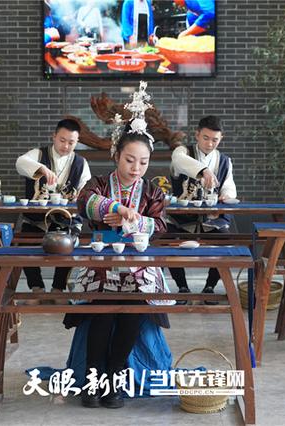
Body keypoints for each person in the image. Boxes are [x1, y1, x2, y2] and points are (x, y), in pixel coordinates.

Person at [65, 81, 173, 409]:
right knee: (101, 312)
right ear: (115, 155)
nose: (136, 168)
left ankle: (114, 379)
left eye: (143, 162)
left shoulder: (152, 191)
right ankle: (93, 381)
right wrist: (115, 208)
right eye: (129, 160)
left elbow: (160, 226)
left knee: (132, 312)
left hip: (138, 265)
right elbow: (85, 202)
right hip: (101, 262)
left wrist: (136, 221)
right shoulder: (99, 183)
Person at [15, 118, 91, 299]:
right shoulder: (38, 154)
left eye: (71, 142)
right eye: (62, 140)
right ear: (54, 137)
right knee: (24, 245)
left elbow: (85, 191)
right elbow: (20, 163)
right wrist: (41, 168)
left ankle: (58, 288)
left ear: (77, 142)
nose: (66, 146)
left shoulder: (81, 163)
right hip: (36, 219)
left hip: (66, 219)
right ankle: (37, 288)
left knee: (69, 243)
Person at [167, 115, 236, 304]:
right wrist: (204, 170)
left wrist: (226, 196)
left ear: (221, 138)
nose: (210, 144)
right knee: (167, 240)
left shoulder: (224, 160)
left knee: (227, 241)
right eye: (206, 138)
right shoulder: (182, 152)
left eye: (215, 139)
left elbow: (229, 186)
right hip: (181, 218)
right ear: (197, 135)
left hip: (211, 218)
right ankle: (182, 287)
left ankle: (210, 287)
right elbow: (178, 160)